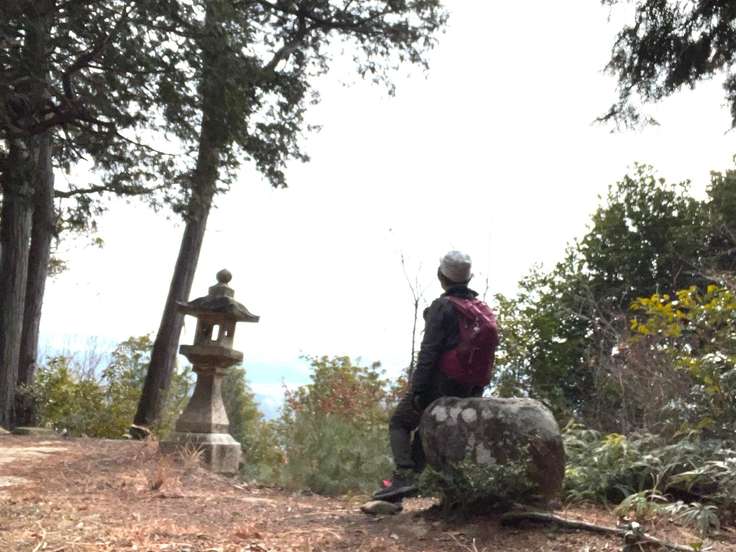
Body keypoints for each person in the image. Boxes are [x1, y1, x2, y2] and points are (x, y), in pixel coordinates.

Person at [373, 250, 499, 503]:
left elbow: (429, 352)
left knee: (400, 422)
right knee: (425, 429)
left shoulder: (443, 307)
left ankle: (404, 475)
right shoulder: (480, 309)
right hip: (469, 387)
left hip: (440, 383)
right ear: (468, 278)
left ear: (442, 276)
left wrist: (418, 390)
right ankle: (406, 485)